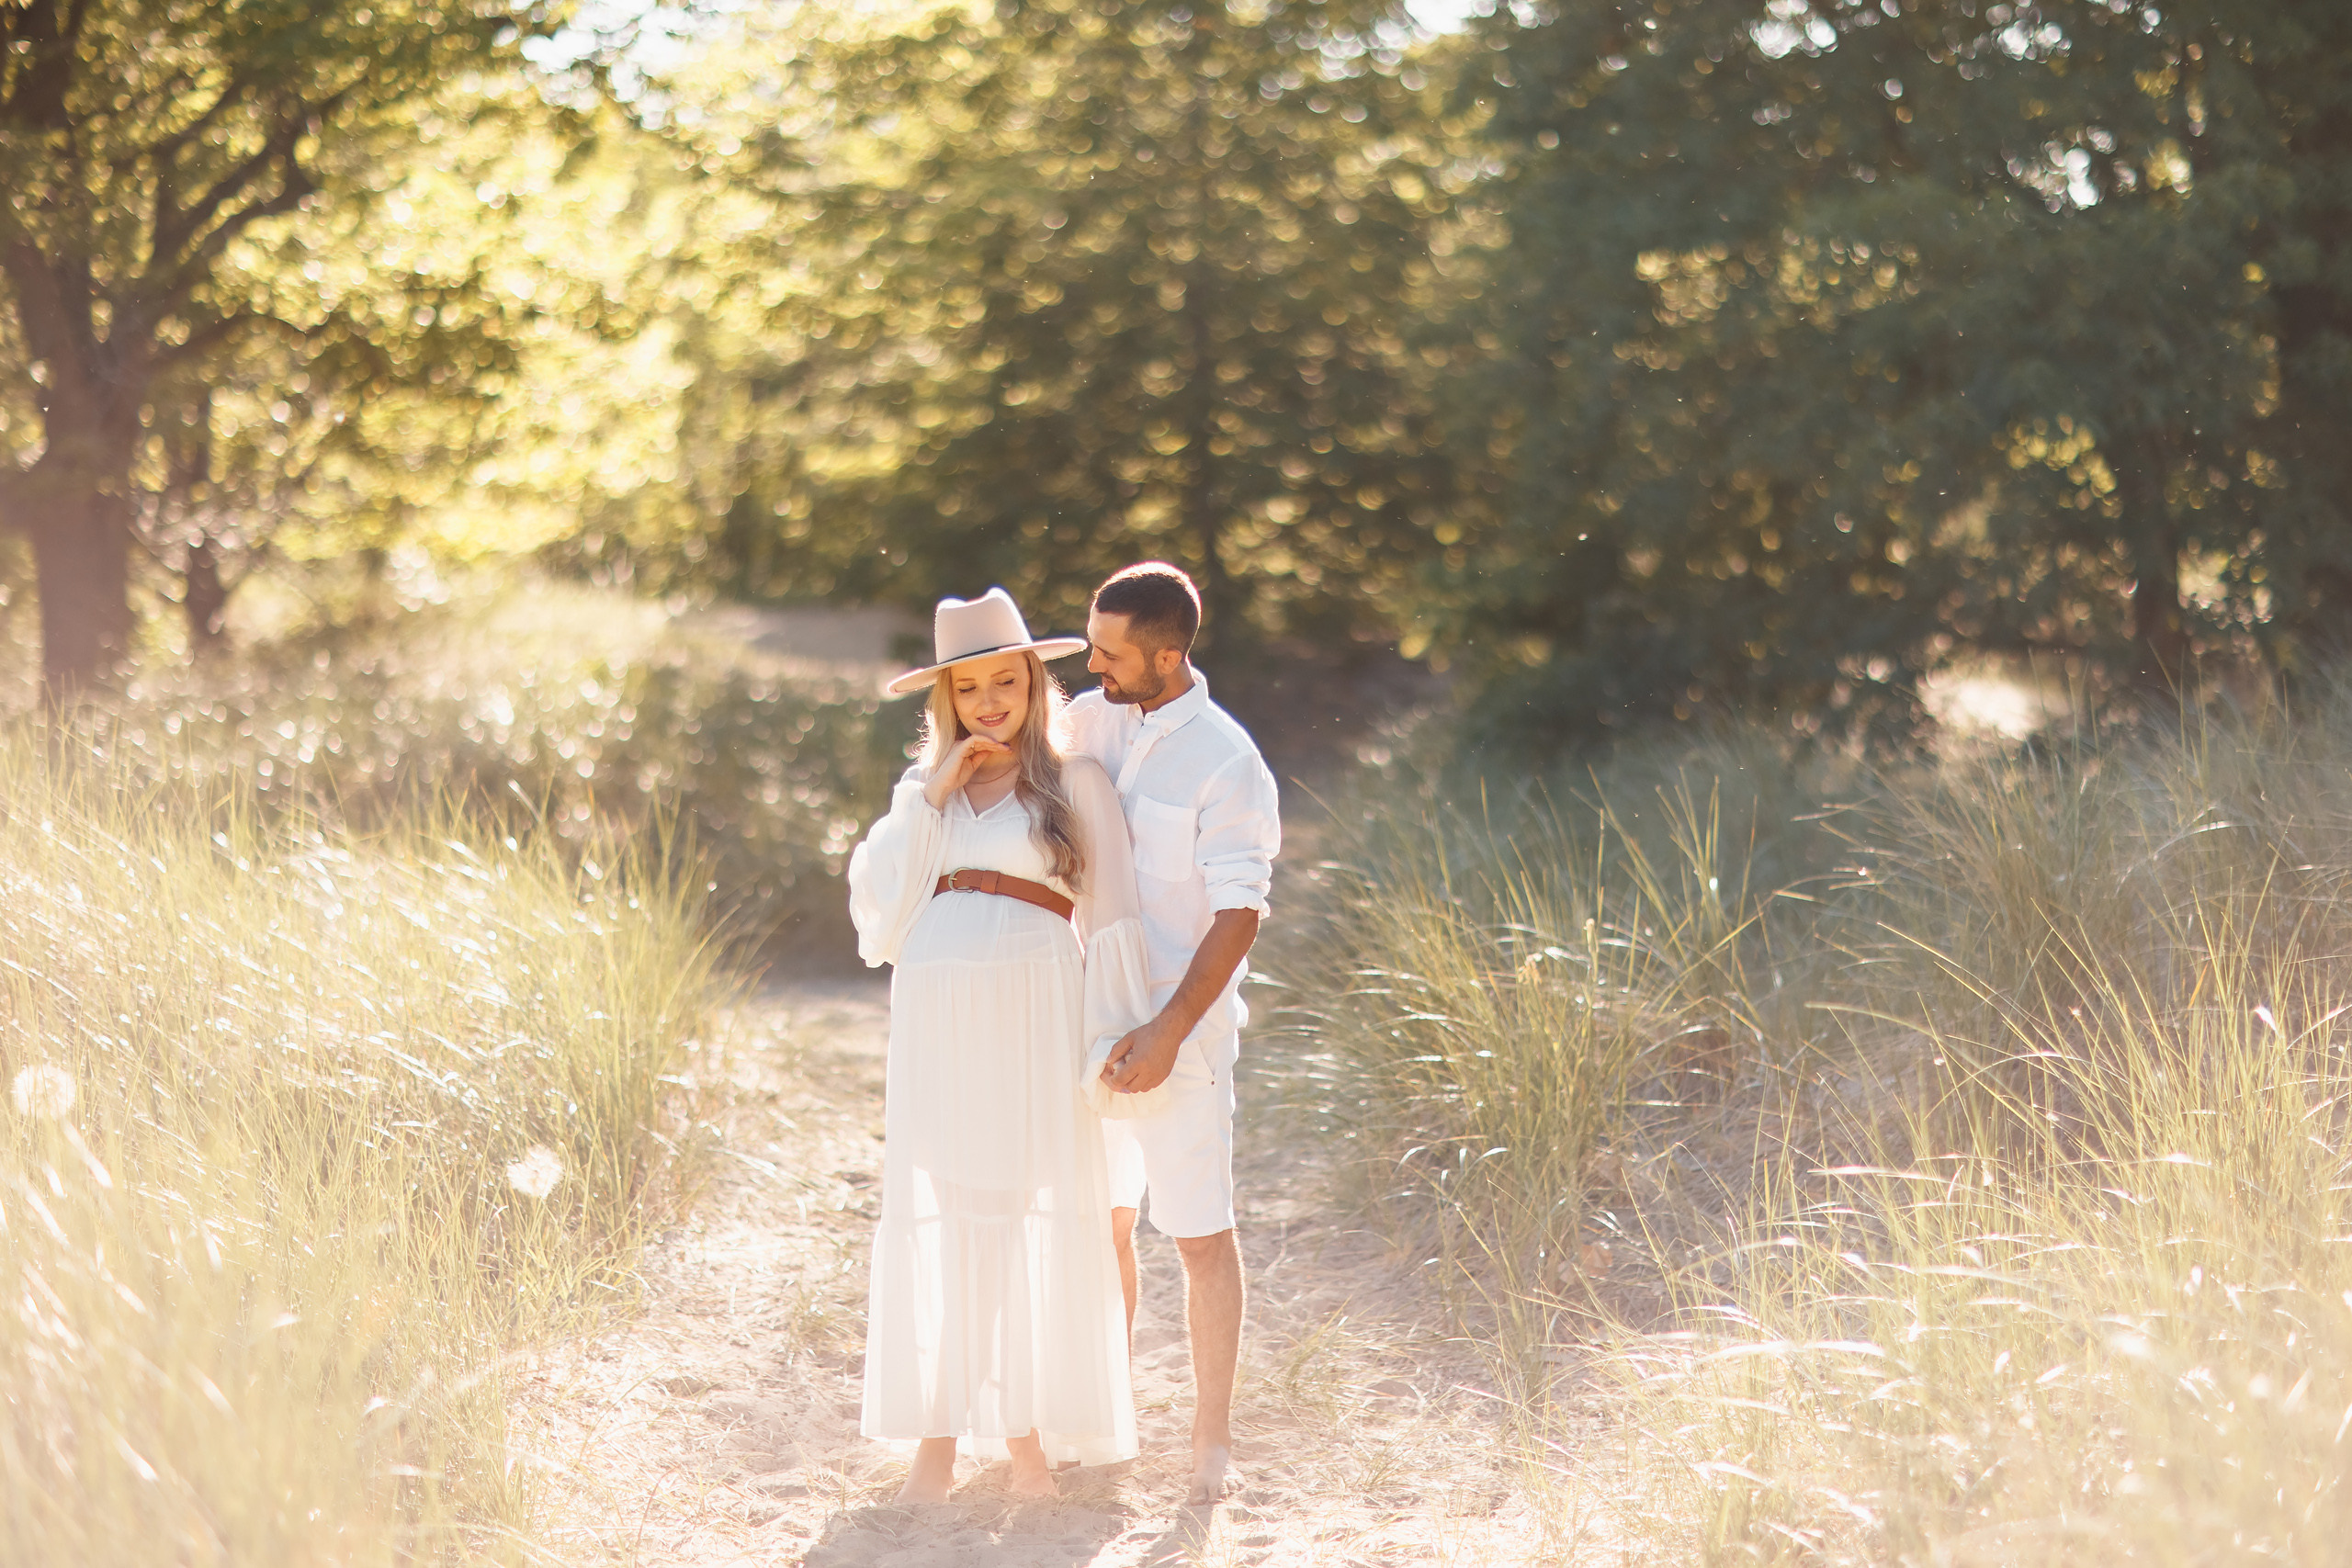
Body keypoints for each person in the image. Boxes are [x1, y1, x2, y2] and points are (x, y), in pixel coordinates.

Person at [846, 587, 1155, 1504]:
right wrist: (931, 801)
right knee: (960, 1225)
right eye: (969, 686)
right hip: (939, 1012)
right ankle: (986, 1444)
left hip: (1035, 1011)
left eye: (1005, 681)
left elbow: (1114, 923)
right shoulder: (922, 793)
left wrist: (1119, 1037)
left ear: (1032, 681)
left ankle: (977, 1444)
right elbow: (879, 920)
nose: (989, 702)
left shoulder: (1074, 781)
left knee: (1009, 1225)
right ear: (945, 698)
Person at [1064, 562, 1282, 1506]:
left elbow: (1239, 915)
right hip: (1083, 1013)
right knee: (1098, 1223)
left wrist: (1165, 1031)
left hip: (1179, 1026)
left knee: (1197, 1236)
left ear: (1167, 653)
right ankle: (1102, 1421)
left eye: (1109, 653)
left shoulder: (1228, 763)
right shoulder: (1090, 717)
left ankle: (1210, 1443)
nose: (1093, 664)